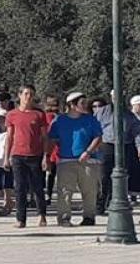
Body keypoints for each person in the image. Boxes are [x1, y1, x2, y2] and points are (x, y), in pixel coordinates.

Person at [48, 92, 102, 227]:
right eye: (81, 103)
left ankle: (89, 217)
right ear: (72, 105)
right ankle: (64, 217)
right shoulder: (60, 121)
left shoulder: (90, 119)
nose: (85, 105)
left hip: (88, 160)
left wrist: (88, 151)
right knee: (65, 190)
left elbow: (98, 137)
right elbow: (52, 139)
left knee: (89, 190)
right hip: (66, 160)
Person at [3, 85, 49, 228]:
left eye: (31, 94)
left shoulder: (39, 114)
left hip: (35, 155)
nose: (28, 96)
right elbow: (9, 137)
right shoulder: (12, 115)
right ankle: (21, 218)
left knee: (37, 187)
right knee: (20, 188)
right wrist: (6, 157)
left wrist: (45, 156)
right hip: (17, 155)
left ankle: (41, 215)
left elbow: (44, 137)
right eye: (26, 93)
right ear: (20, 95)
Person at [94, 91, 140, 215]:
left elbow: (136, 131)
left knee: (121, 176)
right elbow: (94, 128)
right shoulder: (102, 111)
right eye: (114, 97)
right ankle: (99, 206)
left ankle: (115, 202)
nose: (117, 99)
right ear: (111, 97)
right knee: (104, 177)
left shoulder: (128, 114)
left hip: (124, 147)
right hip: (106, 146)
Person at [0, 114, 13, 216]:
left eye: (3, 120)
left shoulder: (9, 134)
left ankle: (7, 203)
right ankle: (9, 202)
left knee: (7, 184)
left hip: (6, 161)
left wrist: (7, 159)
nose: (1, 122)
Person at [43, 95, 61, 205]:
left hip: (54, 149)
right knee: (50, 174)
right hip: (52, 149)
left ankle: (48, 195)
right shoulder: (50, 117)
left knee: (51, 175)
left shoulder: (54, 117)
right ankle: (48, 195)